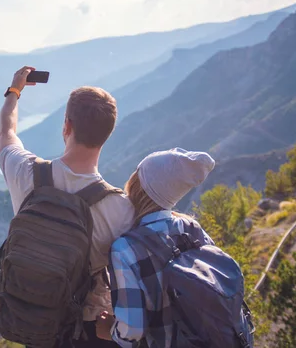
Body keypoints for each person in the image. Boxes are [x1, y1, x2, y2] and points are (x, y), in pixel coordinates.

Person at [0, 66, 136, 347]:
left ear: (66, 126)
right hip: (86, 331)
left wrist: (14, 92)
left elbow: (5, 134)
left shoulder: (26, 173)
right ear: (107, 135)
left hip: (35, 320)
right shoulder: (121, 209)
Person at [96, 148, 254, 348]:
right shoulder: (194, 230)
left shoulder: (125, 249)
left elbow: (131, 330)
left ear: (138, 186)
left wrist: (110, 330)